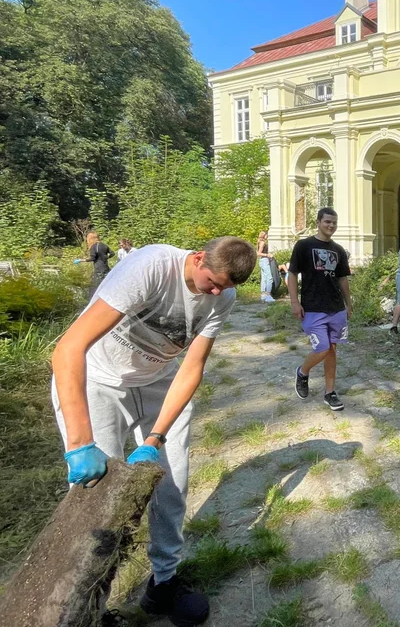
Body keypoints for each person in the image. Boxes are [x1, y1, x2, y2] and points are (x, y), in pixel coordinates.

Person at [52, 237, 257, 626]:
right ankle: (94, 607)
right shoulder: (149, 267)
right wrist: (80, 444)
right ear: (198, 258)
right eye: (211, 281)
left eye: (224, 288)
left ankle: (163, 584)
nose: (215, 292)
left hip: (158, 381)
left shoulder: (222, 297)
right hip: (100, 378)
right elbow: (68, 348)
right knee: (99, 496)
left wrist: (154, 438)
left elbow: (192, 366)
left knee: (172, 483)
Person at [288, 208, 351, 412]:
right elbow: (291, 275)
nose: (331, 226)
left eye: (334, 222)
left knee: (332, 349)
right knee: (322, 348)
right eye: (327, 222)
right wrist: (294, 302)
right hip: (313, 308)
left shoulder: (339, 250)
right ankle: (302, 371)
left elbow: (342, 279)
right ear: (318, 222)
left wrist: (348, 303)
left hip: (336, 308)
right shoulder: (304, 246)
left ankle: (329, 392)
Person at [257, 230, 276, 304]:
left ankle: (263, 295)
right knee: (269, 278)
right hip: (264, 261)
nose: (267, 236)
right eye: (267, 235)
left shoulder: (260, 242)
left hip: (262, 261)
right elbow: (258, 253)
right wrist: (267, 255)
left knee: (264, 278)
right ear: (264, 235)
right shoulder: (263, 243)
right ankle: (268, 295)